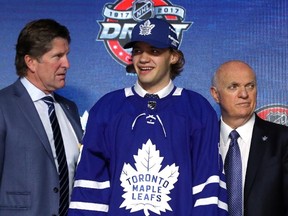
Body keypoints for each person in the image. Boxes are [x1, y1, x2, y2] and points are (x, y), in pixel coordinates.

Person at [69, 18, 228, 215]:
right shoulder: (107, 108)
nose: (143, 59)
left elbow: (208, 185)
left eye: (154, 51)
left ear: (173, 56)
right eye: (137, 50)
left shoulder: (197, 110)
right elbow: (90, 186)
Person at [0, 19, 83, 215]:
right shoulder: (3, 106)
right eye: (58, 56)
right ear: (31, 62)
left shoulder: (69, 109)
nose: (67, 64)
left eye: (67, 55)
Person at [210, 60, 288, 216]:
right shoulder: (202, 143)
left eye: (250, 86)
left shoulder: (283, 141)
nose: (244, 94)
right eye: (233, 87)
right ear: (216, 94)